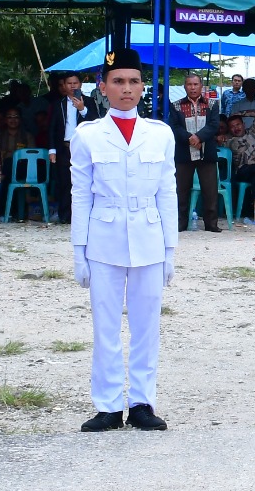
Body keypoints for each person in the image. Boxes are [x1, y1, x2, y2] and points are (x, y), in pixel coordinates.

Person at [70, 47, 178, 433]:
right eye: (118, 81)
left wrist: (170, 250)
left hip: (149, 235)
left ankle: (142, 402)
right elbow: (80, 194)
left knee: (147, 325)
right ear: (102, 87)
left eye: (133, 81)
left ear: (142, 86)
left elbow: (167, 191)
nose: (126, 89)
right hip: (104, 236)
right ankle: (108, 406)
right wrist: (78, 251)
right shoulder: (87, 136)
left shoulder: (159, 134)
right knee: (105, 325)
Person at [169, 72, 222, 233]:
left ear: (201, 86)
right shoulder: (176, 105)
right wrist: (190, 138)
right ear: (184, 86)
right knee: (181, 190)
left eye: (195, 84)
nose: (192, 87)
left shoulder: (212, 104)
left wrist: (199, 137)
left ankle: (211, 224)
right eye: (189, 84)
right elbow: (175, 127)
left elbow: (214, 125)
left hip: (207, 152)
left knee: (210, 190)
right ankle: (180, 223)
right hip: (184, 152)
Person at [47, 72, 97, 225]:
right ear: (64, 85)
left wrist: (82, 109)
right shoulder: (58, 104)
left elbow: (95, 123)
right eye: (69, 83)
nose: (72, 86)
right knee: (64, 182)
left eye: (75, 83)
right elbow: (52, 128)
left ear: (80, 84)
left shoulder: (89, 101)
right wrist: (52, 150)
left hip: (83, 148)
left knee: (83, 182)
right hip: (64, 148)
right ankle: (65, 215)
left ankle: (83, 215)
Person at [217, 114, 255, 218]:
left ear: (244, 124)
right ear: (229, 129)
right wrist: (218, 138)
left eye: (238, 124)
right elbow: (212, 139)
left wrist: (242, 113)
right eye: (232, 126)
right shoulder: (228, 141)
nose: (236, 128)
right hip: (242, 171)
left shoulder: (253, 133)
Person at [0, 107, 32, 221]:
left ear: (20, 119)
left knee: (10, 163)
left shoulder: (27, 136)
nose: (12, 120)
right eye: (9, 117)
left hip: (23, 170)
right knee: (0, 179)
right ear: (5, 120)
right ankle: (3, 212)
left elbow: (32, 156)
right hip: (2, 169)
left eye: (16, 117)